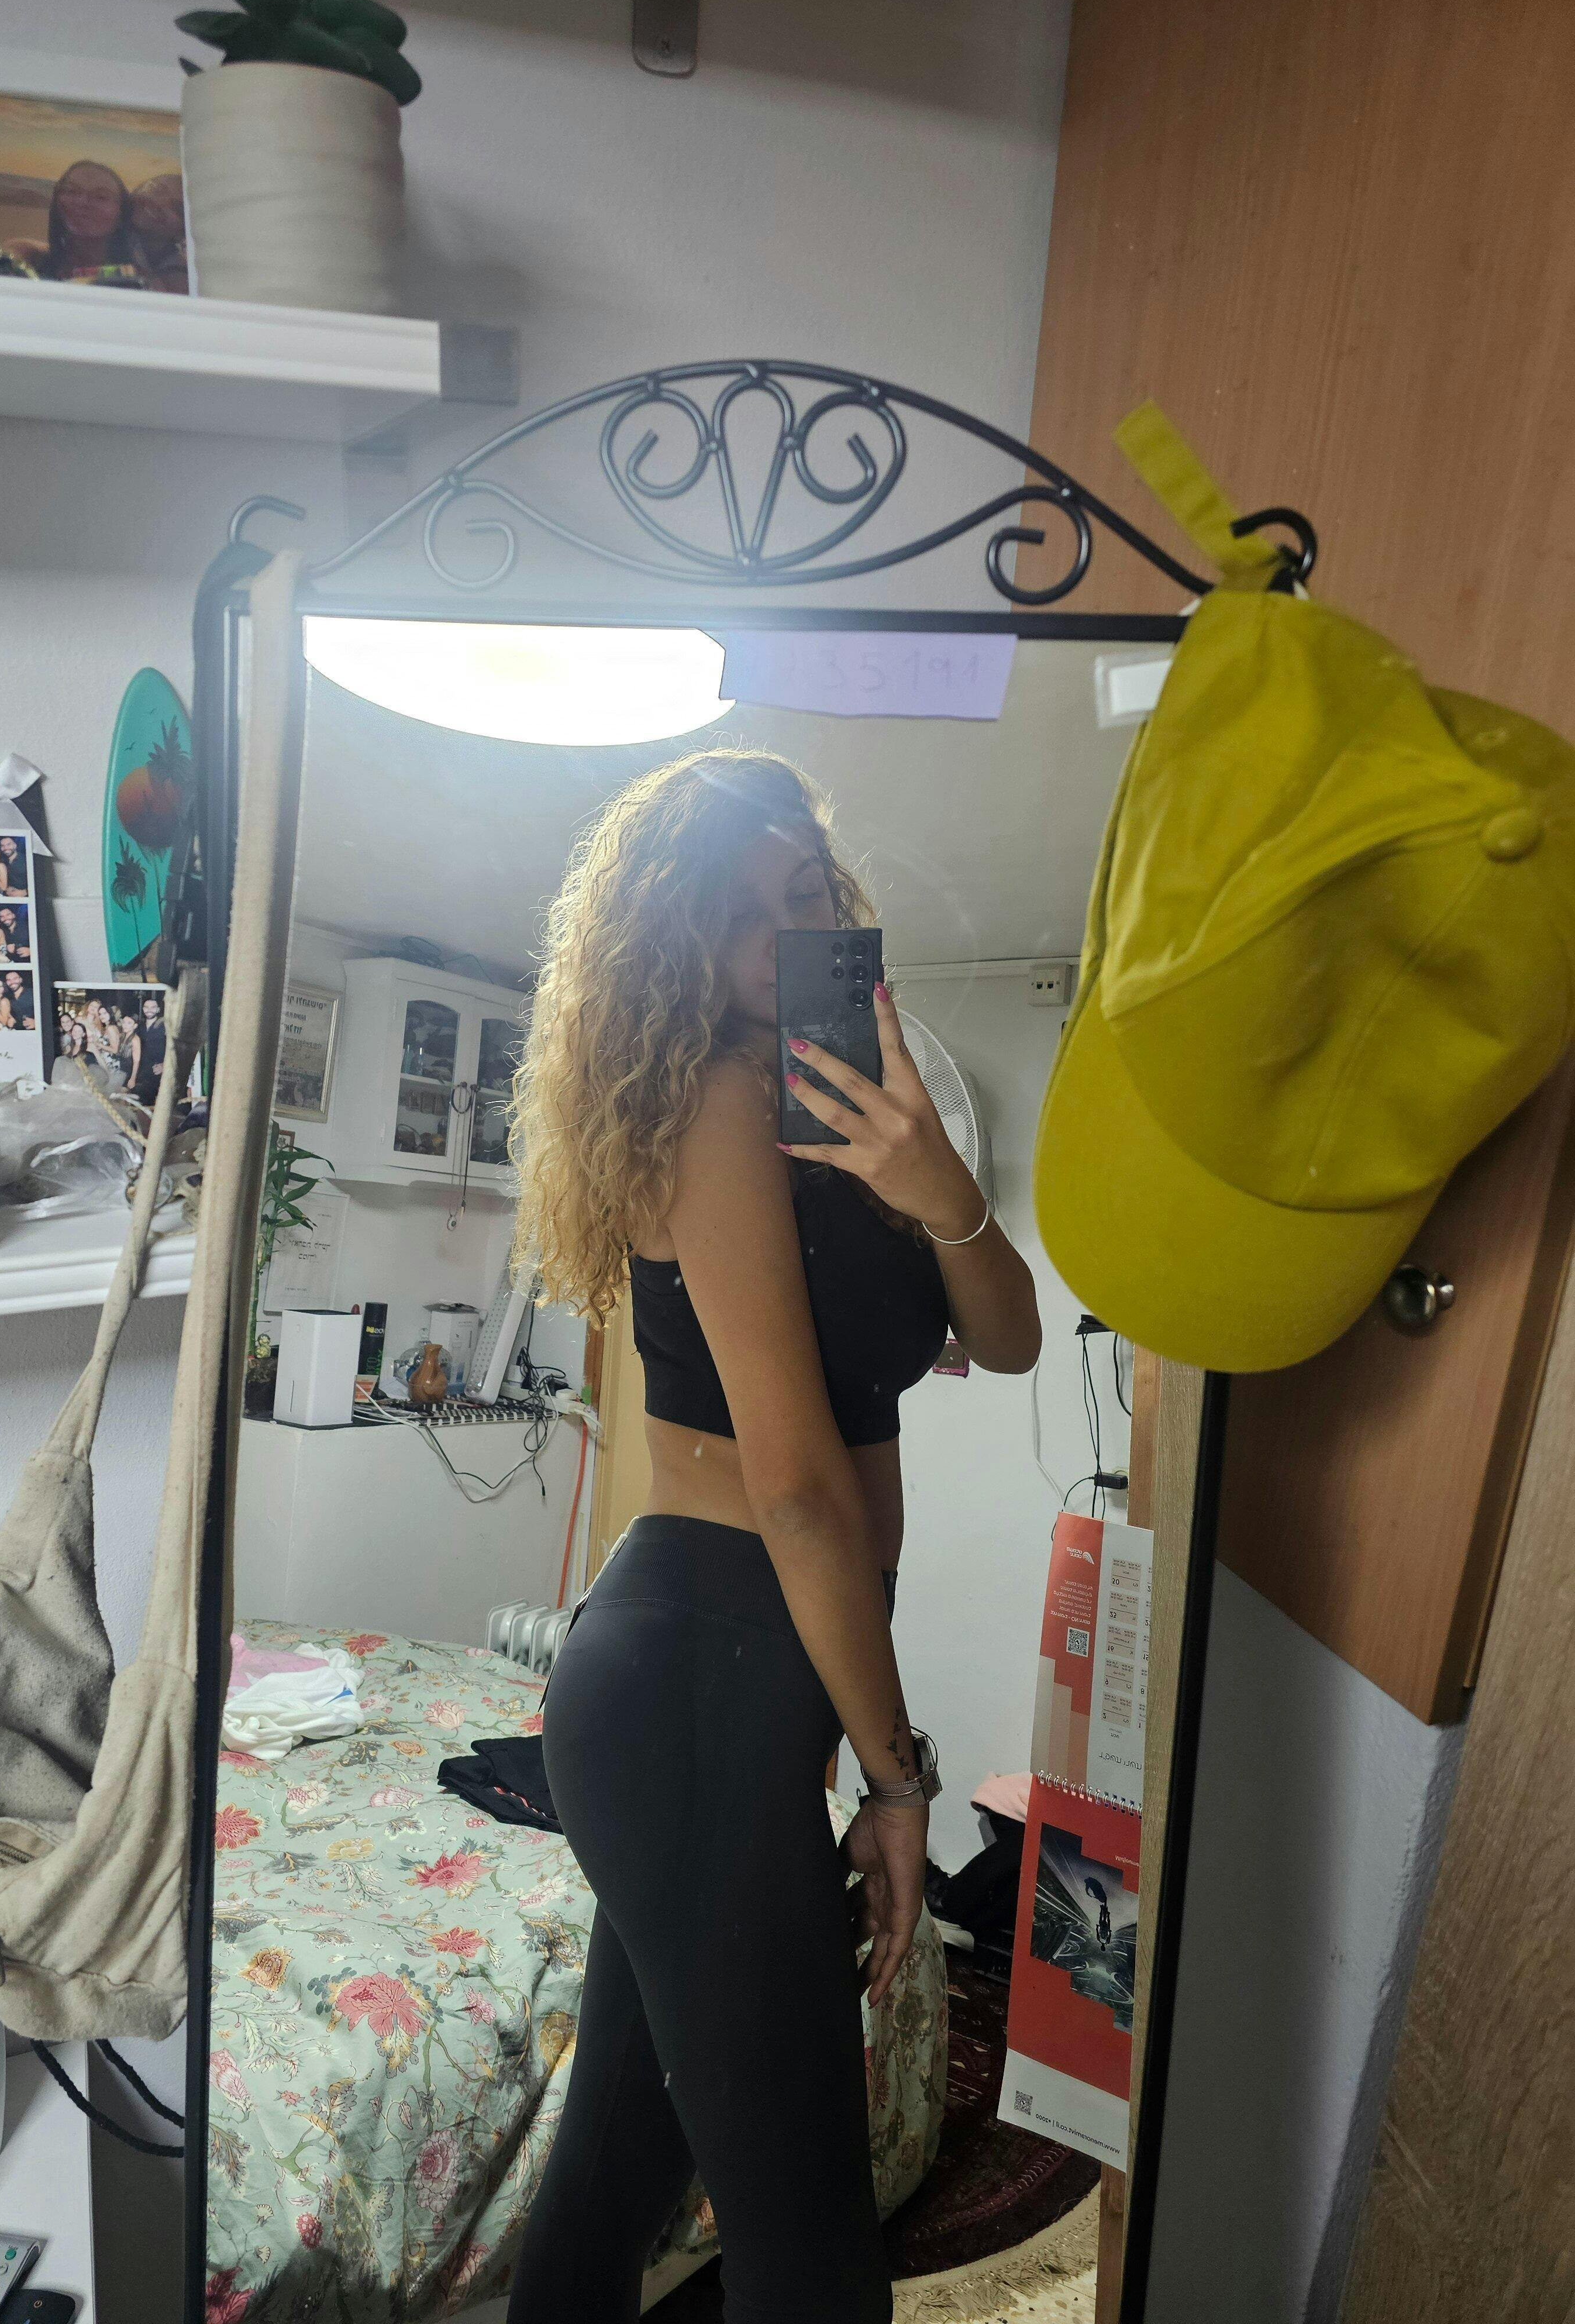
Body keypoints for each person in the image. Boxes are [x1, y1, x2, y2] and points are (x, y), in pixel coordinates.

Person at [504, 750, 1040, 2324]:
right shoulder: (709, 1106)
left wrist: (936, 1182)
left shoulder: (841, 1105)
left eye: (801, 893)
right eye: (733, 914)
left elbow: (1005, 1338)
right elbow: (799, 1488)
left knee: (617, 2169)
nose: (777, 936)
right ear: (668, 939)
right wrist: (896, 1777)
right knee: (812, 2257)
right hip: (700, 1664)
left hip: (742, 1671)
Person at [28, 160, 136, 282]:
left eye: (101, 197)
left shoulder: (135, 277)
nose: (82, 202)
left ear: (122, 212)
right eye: (72, 191)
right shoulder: (29, 259)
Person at [128, 171, 188, 294]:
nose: (159, 203)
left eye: (178, 208)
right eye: (157, 190)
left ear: (183, 232)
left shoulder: (180, 274)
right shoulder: (98, 234)